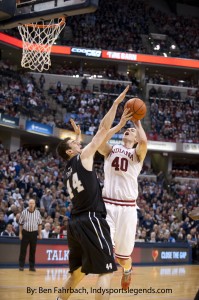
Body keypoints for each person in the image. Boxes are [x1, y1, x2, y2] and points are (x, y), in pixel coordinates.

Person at [56, 86, 131, 300]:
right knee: (106, 270)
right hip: (91, 219)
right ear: (71, 151)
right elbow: (101, 131)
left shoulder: (68, 168)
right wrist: (116, 105)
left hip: (75, 224)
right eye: (74, 143)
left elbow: (85, 144)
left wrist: (117, 127)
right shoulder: (84, 156)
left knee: (77, 273)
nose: (79, 142)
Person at [98, 112, 147, 290]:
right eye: (128, 130)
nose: (129, 130)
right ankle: (104, 286)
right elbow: (99, 141)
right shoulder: (111, 150)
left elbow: (144, 144)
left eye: (131, 131)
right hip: (108, 205)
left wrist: (138, 124)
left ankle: (127, 270)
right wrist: (118, 126)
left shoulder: (137, 153)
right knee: (106, 250)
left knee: (123, 258)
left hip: (127, 209)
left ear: (135, 138)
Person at [18, 199, 42, 271]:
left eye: (33, 203)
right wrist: (20, 233)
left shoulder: (38, 213)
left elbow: (40, 224)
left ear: (35, 204)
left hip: (34, 233)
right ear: (28, 204)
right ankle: (21, 266)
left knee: (33, 250)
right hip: (25, 233)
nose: (31, 205)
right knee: (23, 250)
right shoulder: (24, 212)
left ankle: (31, 267)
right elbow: (20, 223)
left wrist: (40, 234)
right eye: (30, 203)